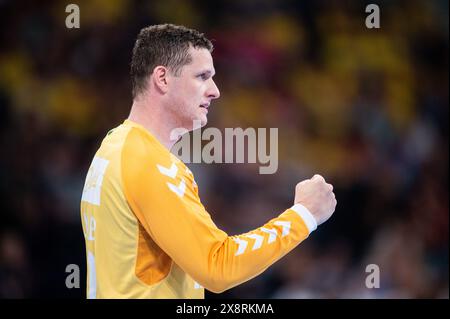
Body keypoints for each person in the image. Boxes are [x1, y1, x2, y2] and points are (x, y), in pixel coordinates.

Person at [80, 23, 337, 299]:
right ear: (163, 79)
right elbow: (217, 267)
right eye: (202, 76)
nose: (215, 91)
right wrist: (304, 215)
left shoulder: (114, 146)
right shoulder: (147, 161)